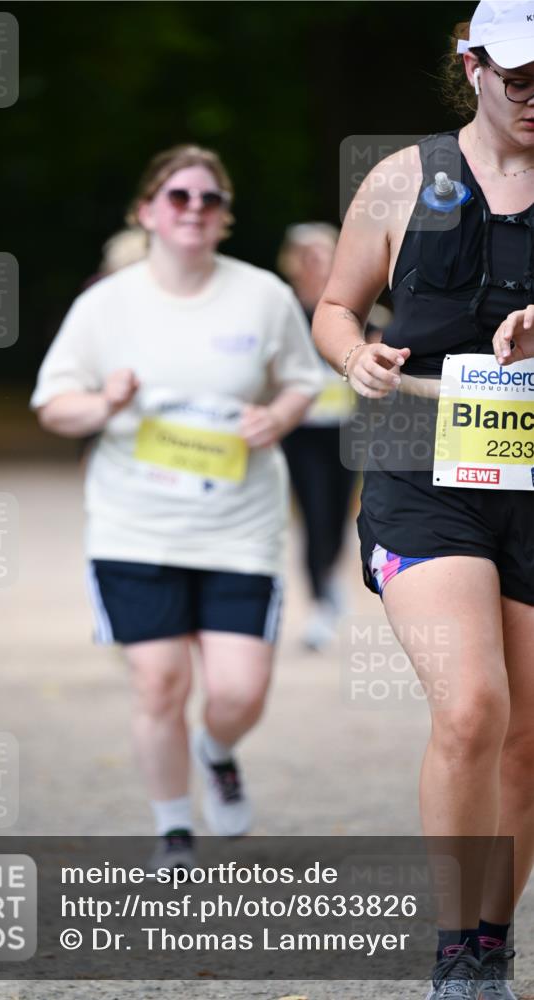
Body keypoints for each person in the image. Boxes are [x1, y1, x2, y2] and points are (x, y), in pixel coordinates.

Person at [313, 2, 534, 998]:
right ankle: (453, 950)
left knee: (527, 734)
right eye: (519, 72)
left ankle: (491, 938)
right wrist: (355, 354)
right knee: (472, 708)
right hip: (419, 469)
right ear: (473, 64)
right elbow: (333, 305)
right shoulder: (403, 178)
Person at [31, 144, 323, 869]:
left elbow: (301, 380)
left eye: (209, 200)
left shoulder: (261, 294)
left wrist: (276, 419)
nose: (193, 210)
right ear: (146, 212)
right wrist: (105, 402)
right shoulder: (105, 305)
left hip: (238, 527)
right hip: (136, 526)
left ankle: (216, 749)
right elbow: (52, 405)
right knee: (159, 680)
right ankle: (172, 830)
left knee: (237, 690)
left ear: (224, 217)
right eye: (178, 197)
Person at [277, 224, 390, 649]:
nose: (315, 263)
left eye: (323, 254)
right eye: (306, 256)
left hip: (348, 433)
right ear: (293, 262)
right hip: (300, 432)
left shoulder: (362, 314)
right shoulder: (283, 311)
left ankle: (328, 582)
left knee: (340, 516)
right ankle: (321, 602)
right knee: (313, 515)